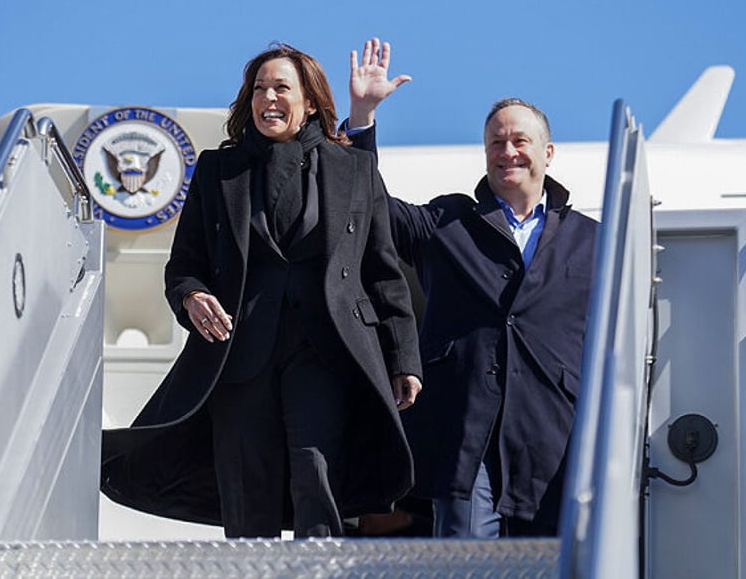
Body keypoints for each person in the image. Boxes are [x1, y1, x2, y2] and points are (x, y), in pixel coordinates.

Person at [101, 43, 423, 539]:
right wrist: (191, 298)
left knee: (318, 477)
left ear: (310, 102)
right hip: (238, 358)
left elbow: (382, 271)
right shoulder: (217, 170)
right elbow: (184, 267)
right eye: (259, 89)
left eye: (280, 88)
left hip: (326, 354)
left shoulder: (353, 169)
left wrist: (404, 358)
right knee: (248, 490)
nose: (267, 98)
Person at [345, 38, 597, 538]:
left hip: (555, 437)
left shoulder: (592, 240)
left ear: (547, 152)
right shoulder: (449, 221)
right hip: (465, 434)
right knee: (464, 561)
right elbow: (369, 208)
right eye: (496, 143)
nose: (508, 152)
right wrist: (362, 118)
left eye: (519, 141)